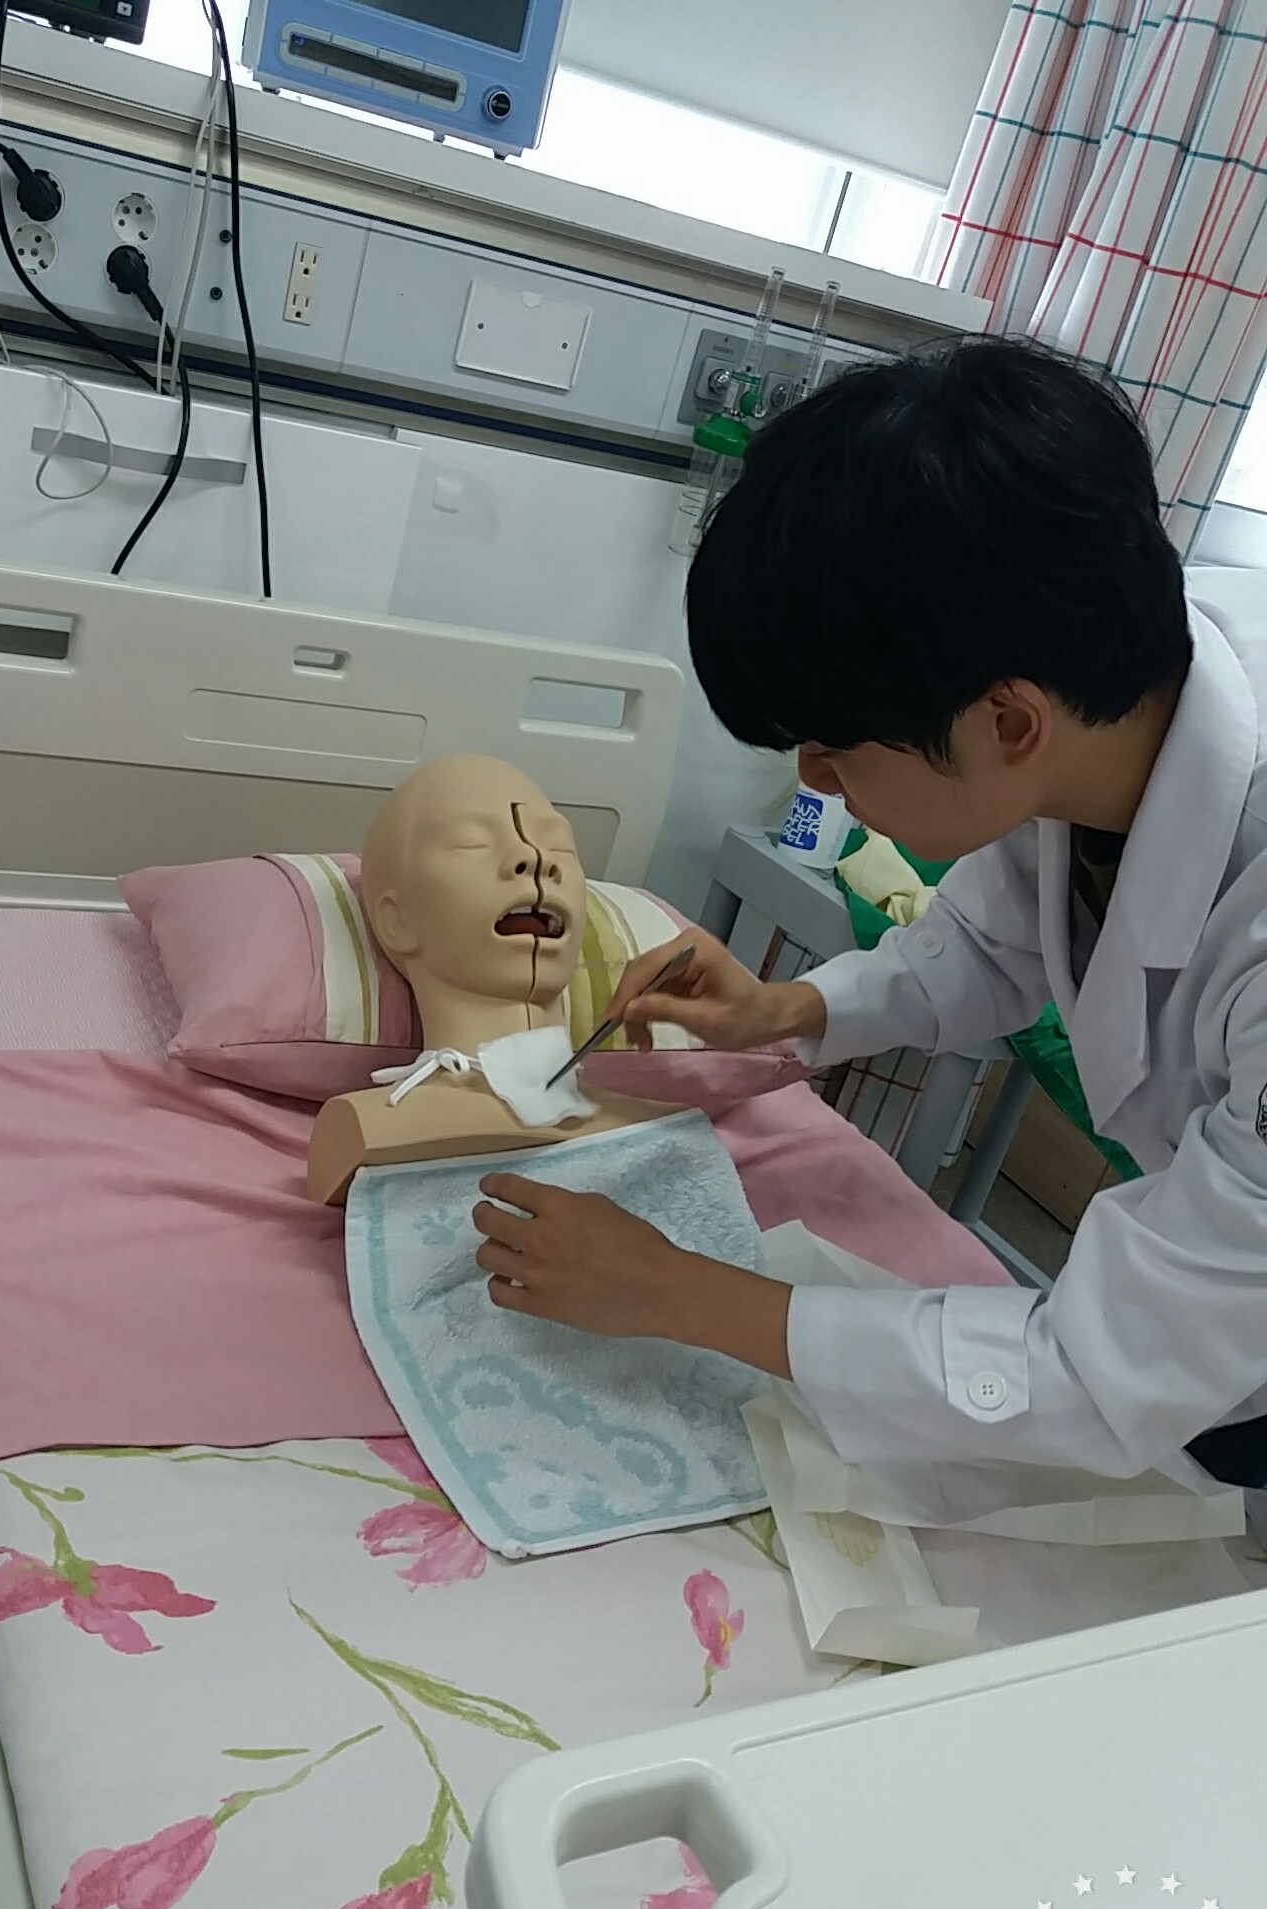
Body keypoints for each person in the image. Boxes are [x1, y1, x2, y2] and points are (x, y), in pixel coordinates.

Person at [473, 336, 1267, 1502]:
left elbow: (1098, 1374)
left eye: (834, 748)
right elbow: (998, 936)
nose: (814, 778)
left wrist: (678, 1292)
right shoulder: (1093, 672)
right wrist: (787, 1006)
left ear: (1009, 723)